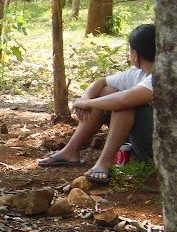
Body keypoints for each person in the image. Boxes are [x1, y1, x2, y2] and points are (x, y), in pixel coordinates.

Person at [38, 24, 156, 184]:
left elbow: (124, 100)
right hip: (140, 140)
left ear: (135, 54)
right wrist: (84, 100)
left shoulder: (158, 78)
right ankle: (71, 151)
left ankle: (104, 163)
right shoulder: (138, 73)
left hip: (155, 149)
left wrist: (88, 103)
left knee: (122, 106)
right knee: (107, 91)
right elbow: (101, 82)